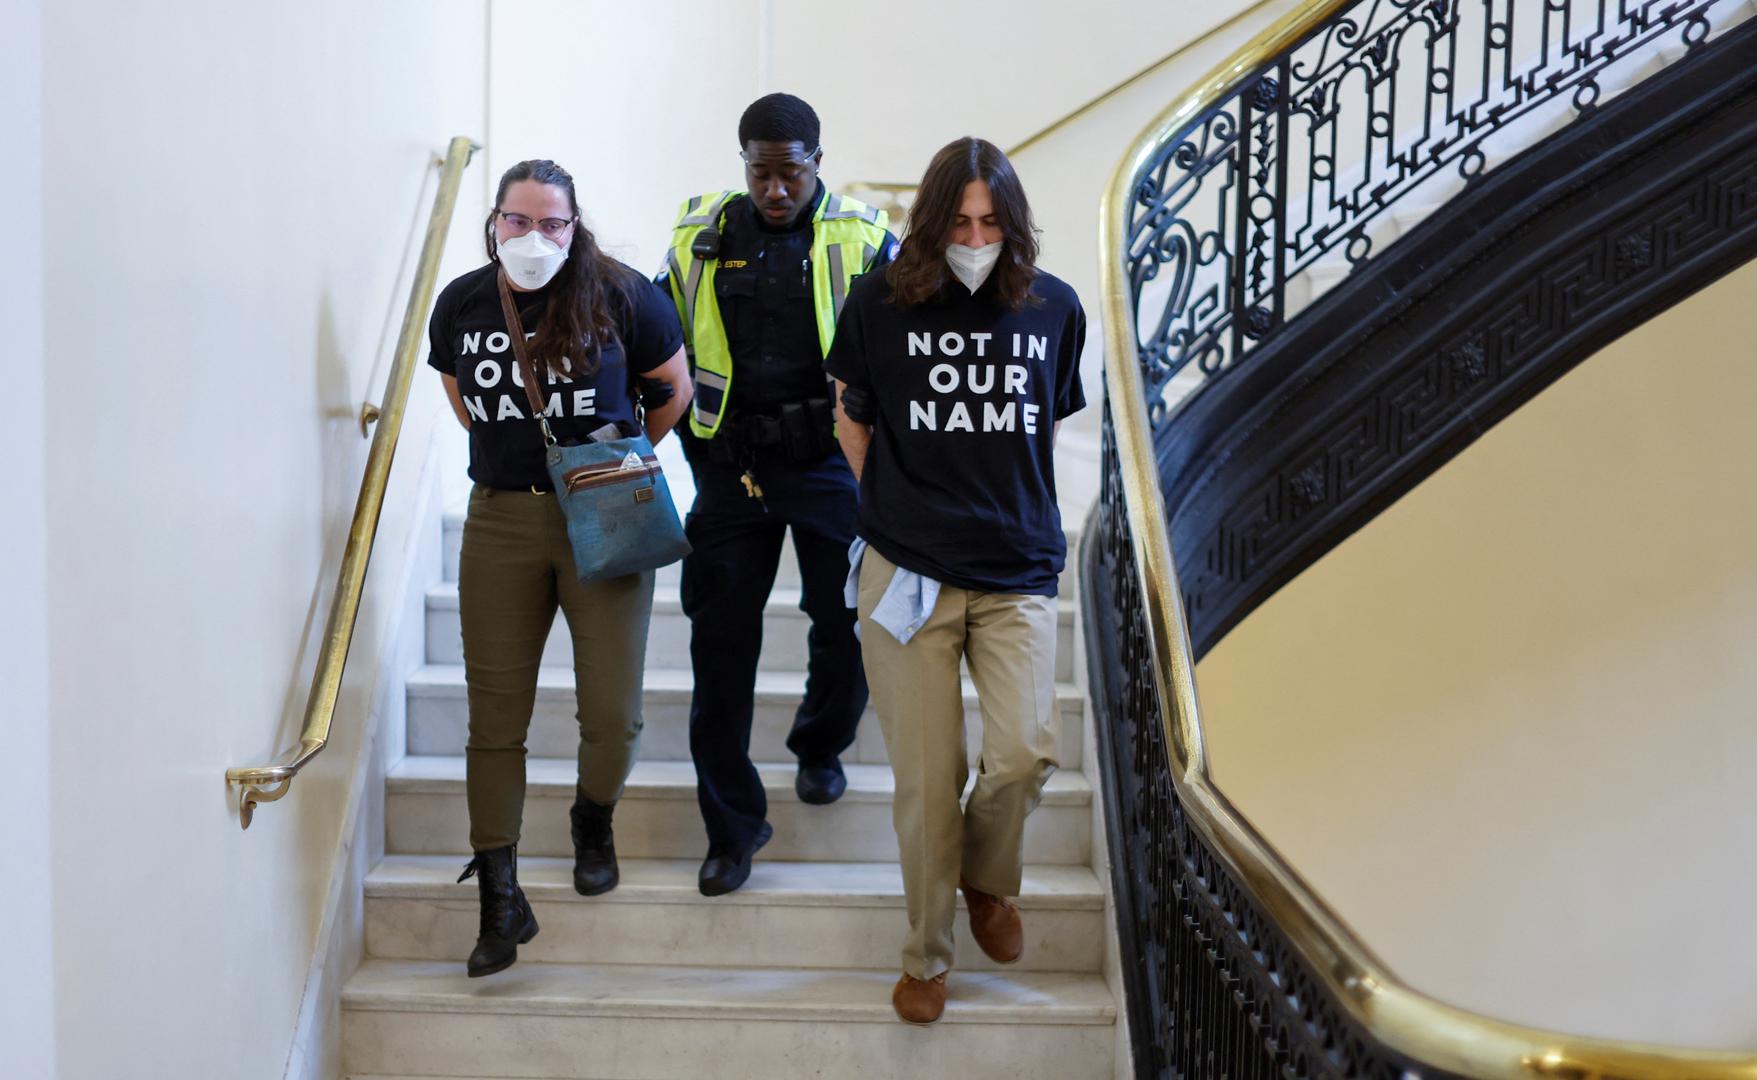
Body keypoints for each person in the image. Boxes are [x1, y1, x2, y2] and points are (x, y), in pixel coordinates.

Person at [826, 137, 1086, 1024]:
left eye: (990, 223)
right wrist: (897, 511)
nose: (974, 238)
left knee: (1022, 755)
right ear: (929, 224)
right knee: (927, 783)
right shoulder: (877, 303)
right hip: (906, 573)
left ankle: (986, 878)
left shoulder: (1054, 307)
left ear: (1013, 227)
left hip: (1017, 568)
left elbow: (1037, 430)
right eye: (957, 223)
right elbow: (850, 419)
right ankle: (927, 956)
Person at [427, 159, 693, 977]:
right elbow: (461, 395)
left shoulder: (623, 295)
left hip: (605, 512)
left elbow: (672, 390)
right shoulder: (464, 302)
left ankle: (592, 816)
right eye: (518, 221)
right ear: (494, 222)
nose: (533, 237)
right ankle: (499, 896)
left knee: (613, 713)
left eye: (552, 223)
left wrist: (615, 465)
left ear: (575, 225)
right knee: (494, 717)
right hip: (502, 518)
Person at [659, 93, 898, 896]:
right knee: (718, 646)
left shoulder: (864, 238)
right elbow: (660, 340)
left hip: (830, 463)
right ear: (744, 165)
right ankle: (731, 827)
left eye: (787, 173)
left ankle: (820, 743)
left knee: (846, 623)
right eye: (759, 172)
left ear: (816, 163)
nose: (772, 190)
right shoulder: (697, 237)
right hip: (730, 467)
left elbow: (906, 346)